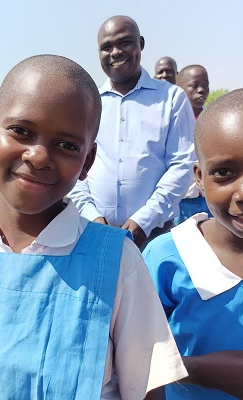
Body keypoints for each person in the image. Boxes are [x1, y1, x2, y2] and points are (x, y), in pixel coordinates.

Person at [0, 55, 187, 399]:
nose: (39, 156)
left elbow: (147, 390)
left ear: (87, 161)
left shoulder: (118, 261)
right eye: (22, 131)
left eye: (66, 145)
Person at [143, 89, 243, 399]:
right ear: (199, 177)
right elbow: (129, 355)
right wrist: (198, 370)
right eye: (224, 173)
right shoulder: (167, 258)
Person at [68, 15, 196, 249]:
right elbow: (75, 164)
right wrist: (90, 215)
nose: (115, 52)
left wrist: (144, 220)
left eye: (124, 42)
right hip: (92, 232)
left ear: (141, 44)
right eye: (106, 47)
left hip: (153, 237)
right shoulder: (89, 102)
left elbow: (182, 164)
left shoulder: (171, 98)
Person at [173, 64, 212, 224]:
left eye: (205, 85)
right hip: (179, 202)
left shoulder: (213, 121)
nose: (201, 90)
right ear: (179, 89)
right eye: (194, 86)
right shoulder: (173, 124)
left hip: (208, 201)